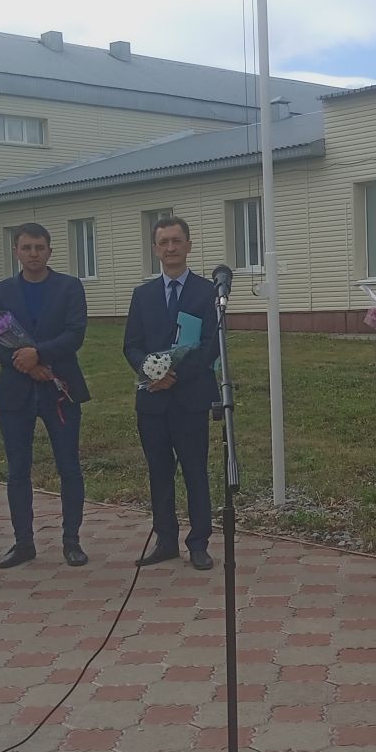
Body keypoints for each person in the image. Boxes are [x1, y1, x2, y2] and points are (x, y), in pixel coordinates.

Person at [0, 222, 92, 570]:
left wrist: (40, 355)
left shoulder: (69, 287)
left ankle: (72, 541)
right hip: (16, 391)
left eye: (39, 247)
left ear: (49, 251)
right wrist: (27, 366)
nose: (33, 254)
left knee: (69, 467)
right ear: (16, 251)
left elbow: (75, 334)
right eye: (26, 247)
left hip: (60, 388)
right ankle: (23, 543)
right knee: (17, 470)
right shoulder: (1, 291)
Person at [123, 215, 220, 571]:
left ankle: (199, 543)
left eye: (176, 241)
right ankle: (165, 541)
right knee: (159, 473)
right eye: (163, 242)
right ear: (155, 249)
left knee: (195, 472)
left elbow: (211, 346)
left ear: (188, 245)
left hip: (190, 399)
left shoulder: (207, 292)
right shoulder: (143, 295)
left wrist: (175, 376)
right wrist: (153, 372)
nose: (170, 248)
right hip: (152, 400)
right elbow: (131, 345)